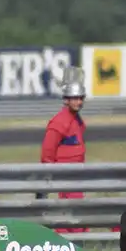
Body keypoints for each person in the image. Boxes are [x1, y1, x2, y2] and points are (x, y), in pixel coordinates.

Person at [41, 74, 88, 233]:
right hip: (65, 175)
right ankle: (80, 239)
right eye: (75, 98)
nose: (79, 102)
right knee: (76, 211)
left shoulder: (77, 120)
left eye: (81, 98)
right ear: (66, 99)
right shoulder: (59, 122)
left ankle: (64, 238)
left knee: (69, 211)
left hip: (76, 175)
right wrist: (50, 173)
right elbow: (48, 151)